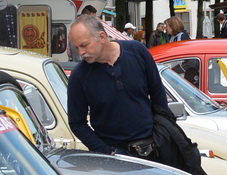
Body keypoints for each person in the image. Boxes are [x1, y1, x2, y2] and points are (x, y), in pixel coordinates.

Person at [66, 14, 171, 159]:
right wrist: (106, 152)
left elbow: (158, 94)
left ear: (102, 37)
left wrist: (162, 135)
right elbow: (77, 123)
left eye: (84, 45)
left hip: (153, 148)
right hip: (113, 156)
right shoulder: (79, 76)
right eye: (76, 47)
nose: (81, 52)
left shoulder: (137, 51)